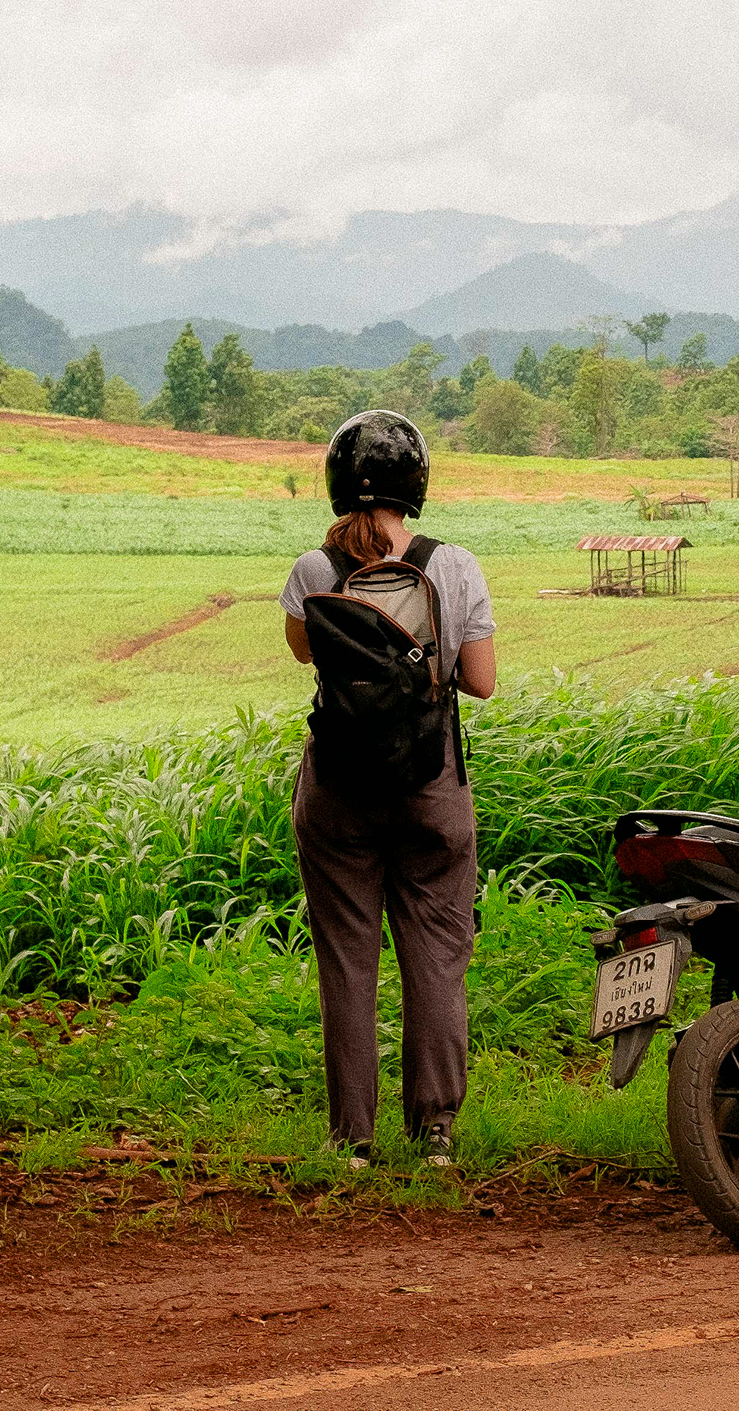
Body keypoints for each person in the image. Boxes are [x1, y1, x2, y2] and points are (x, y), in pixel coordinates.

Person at [283, 408, 497, 1168]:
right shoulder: (455, 566)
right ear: (417, 484)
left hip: (338, 786)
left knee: (347, 961)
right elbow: (482, 682)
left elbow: (307, 654)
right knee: (436, 958)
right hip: (430, 784)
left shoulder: (313, 572)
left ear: (337, 483)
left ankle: (353, 1138)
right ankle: (434, 1131)